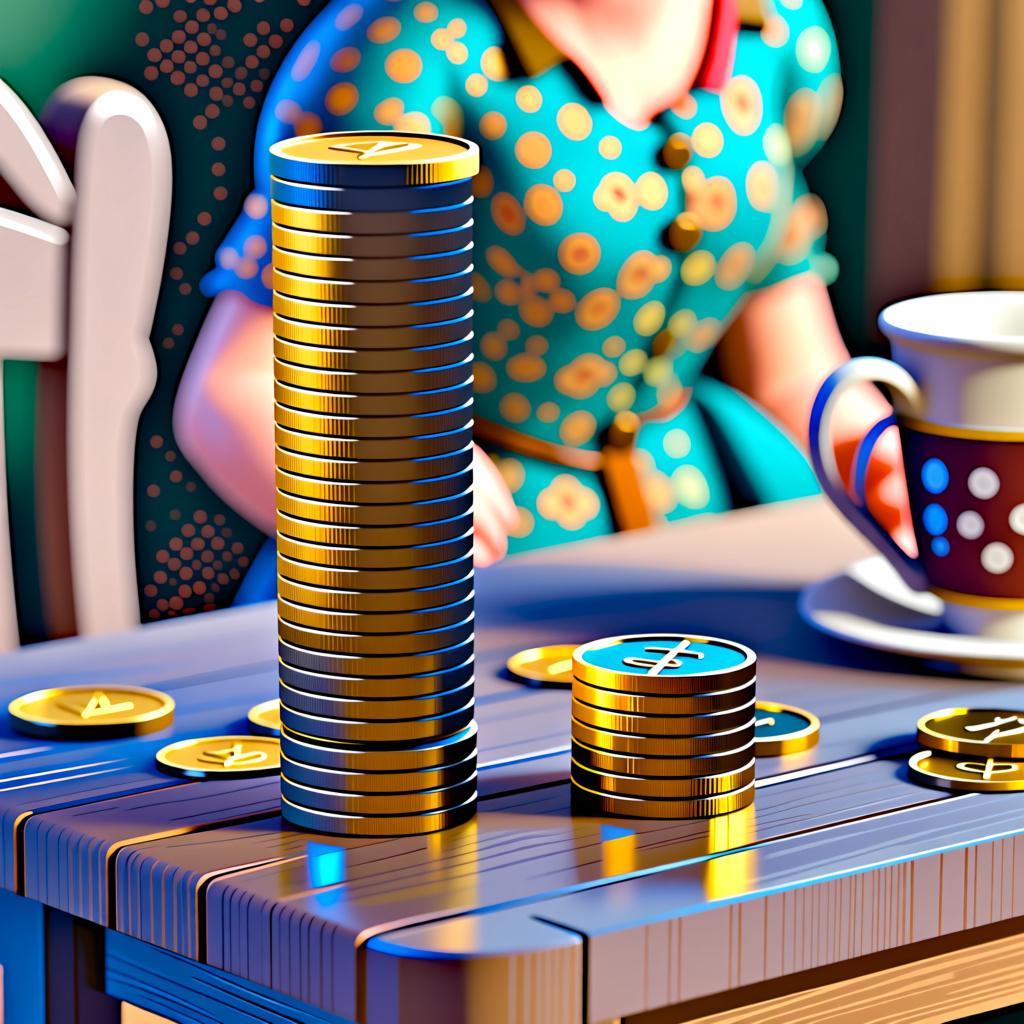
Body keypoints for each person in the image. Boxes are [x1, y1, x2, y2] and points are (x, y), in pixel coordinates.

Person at [175, 0, 911, 598]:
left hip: (701, 543)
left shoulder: (777, 33)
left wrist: (880, 458)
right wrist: (384, 486)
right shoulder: (407, 50)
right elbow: (233, 388)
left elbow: (791, 366)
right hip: (467, 567)